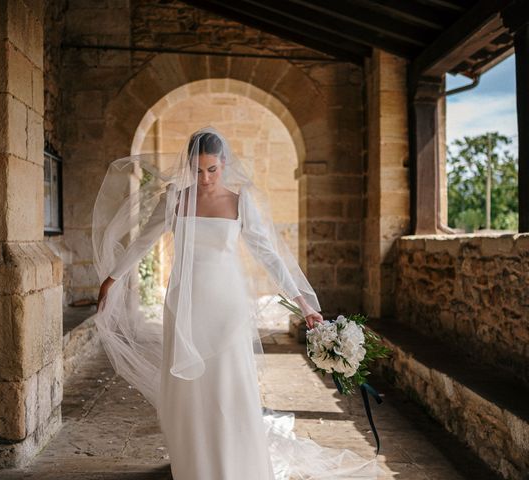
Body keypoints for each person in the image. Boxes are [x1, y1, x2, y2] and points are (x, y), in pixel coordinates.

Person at [92, 127, 384, 479]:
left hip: (226, 308)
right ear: (188, 166)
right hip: (184, 307)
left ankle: (233, 461)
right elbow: (142, 242)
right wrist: (113, 277)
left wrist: (304, 302)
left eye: (212, 170)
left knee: (227, 385)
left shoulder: (239, 201)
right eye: (198, 170)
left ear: (224, 164)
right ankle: (196, 464)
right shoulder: (174, 199)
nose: (205, 178)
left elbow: (269, 256)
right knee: (189, 391)